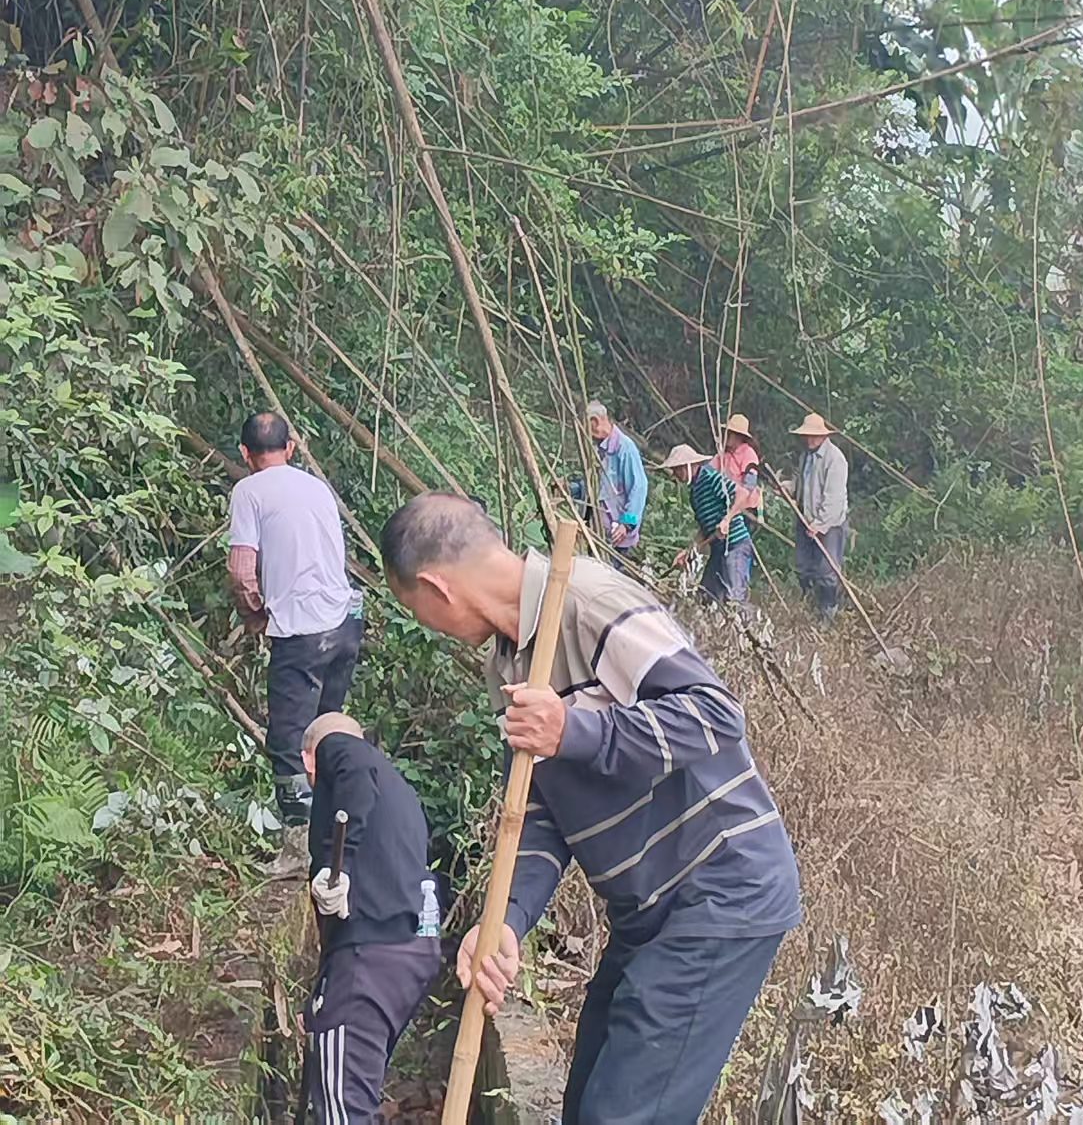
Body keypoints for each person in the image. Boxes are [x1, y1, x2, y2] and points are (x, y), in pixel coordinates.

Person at [379, 493, 801, 1125]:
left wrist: (574, 731)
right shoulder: (508, 663)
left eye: (419, 612)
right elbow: (541, 813)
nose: (432, 627)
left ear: (437, 589)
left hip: (720, 888)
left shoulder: (586, 603)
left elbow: (717, 715)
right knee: (584, 1107)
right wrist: (507, 924)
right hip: (645, 908)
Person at [226, 411, 363, 878]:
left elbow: (243, 573)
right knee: (327, 730)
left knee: (288, 741)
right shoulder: (316, 486)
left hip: (301, 630)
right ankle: (338, 835)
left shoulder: (248, 491)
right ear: (291, 447)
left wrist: (255, 616)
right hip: (345, 622)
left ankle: (298, 849)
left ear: (245, 454)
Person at [301, 712, 442, 1124]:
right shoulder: (399, 792)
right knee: (353, 1091)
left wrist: (333, 866)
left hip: (369, 961)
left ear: (308, 759)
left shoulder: (339, 750)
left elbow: (351, 763)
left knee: (343, 1110)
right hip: (410, 953)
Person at [660, 443, 755, 605]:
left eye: (677, 469)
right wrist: (689, 551)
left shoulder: (710, 478)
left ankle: (745, 628)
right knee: (706, 595)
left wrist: (727, 519)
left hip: (735, 545)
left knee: (735, 598)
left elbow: (742, 493)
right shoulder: (694, 493)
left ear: (688, 466)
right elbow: (704, 530)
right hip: (718, 547)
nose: (675, 474)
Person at [790, 412, 849, 619]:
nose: (810, 439)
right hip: (805, 518)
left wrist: (820, 524)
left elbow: (833, 498)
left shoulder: (835, 459)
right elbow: (801, 485)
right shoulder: (805, 457)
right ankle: (808, 608)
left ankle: (828, 614)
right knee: (804, 567)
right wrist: (787, 489)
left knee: (827, 571)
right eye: (807, 435)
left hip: (829, 524)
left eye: (814, 435)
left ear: (824, 435)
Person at [584, 399, 648, 561]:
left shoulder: (624, 448)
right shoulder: (599, 450)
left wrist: (626, 524)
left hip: (618, 536)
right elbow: (595, 487)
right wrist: (570, 488)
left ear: (595, 422)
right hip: (599, 532)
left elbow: (639, 487)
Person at [714, 412, 763, 536]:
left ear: (738, 436)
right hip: (726, 505)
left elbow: (749, 486)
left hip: (745, 508)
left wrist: (734, 510)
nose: (727, 436)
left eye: (730, 433)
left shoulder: (749, 454)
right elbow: (709, 469)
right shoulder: (724, 454)